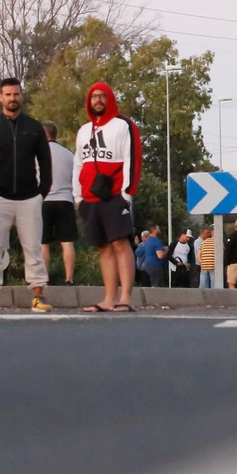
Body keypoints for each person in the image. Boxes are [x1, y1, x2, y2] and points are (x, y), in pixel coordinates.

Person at [0, 78, 53, 312]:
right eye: (8, 94)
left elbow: (45, 162)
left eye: (16, 94)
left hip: (29, 198)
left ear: (21, 96)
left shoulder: (34, 127)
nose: (12, 98)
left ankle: (38, 295)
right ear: (0, 97)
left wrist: (42, 192)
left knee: (33, 249)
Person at [74, 81, 142, 313]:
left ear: (110, 98)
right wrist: (77, 197)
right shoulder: (84, 130)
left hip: (115, 195)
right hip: (89, 199)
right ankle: (108, 298)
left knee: (120, 244)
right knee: (103, 247)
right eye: (94, 96)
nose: (98, 100)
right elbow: (78, 164)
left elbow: (132, 159)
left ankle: (125, 298)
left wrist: (126, 194)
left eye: (103, 96)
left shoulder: (124, 125)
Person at [40, 121, 78, 286]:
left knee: (43, 242)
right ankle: (69, 278)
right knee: (67, 242)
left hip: (44, 200)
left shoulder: (38, 154)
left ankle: (43, 278)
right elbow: (76, 179)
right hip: (65, 200)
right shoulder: (69, 155)